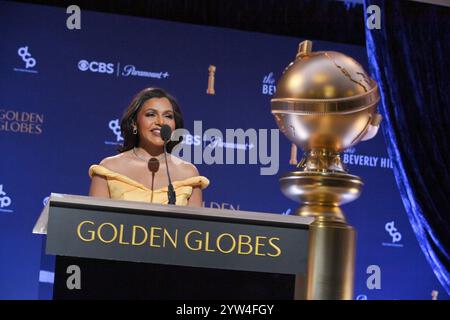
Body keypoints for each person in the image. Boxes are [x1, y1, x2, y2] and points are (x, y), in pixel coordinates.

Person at [88, 87, 209, 207]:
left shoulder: (188, 174)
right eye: (151, 114)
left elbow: (195, 226)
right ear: (134, 123)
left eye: (168, 116)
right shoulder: (109, 169)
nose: (161, 122)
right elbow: (95, 222)